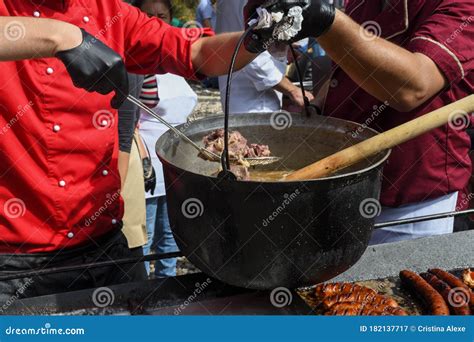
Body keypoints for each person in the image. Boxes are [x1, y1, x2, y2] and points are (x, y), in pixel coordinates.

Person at [0, 0, 260, 303]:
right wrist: (61, 36)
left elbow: (197, 52)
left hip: (103, 248)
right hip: (12, 262)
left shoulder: (109, 12)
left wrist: (258, 38)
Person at [244, 0, 473, 244]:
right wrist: (318, 103)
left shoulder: (460, 5)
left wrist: (326, 21)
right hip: (347, 186)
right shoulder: (363, 4)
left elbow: (413, 87)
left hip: (409, 199)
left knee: (394, 279)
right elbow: (347, 66)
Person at [132, 0, 197, 277]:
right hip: (146, 167)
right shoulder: (133, 63)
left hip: (177, 167)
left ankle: (167, 306)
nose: (156, 21)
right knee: (143, 244)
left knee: (172, 240)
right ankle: (142, 304)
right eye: (148, 16)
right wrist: (144, 161)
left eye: (162, 16)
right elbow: (127, 122)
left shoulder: (178, 62)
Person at [216, 0, 314, 114]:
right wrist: (293, 91)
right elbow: (253, 60)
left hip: (238, 94)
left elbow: (247, 38)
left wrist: (279, 48)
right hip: (254, 103)